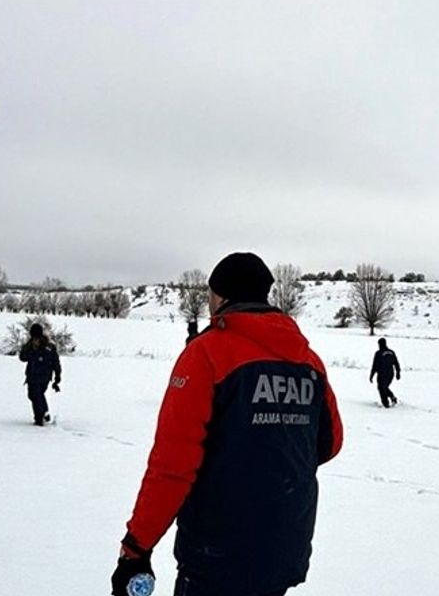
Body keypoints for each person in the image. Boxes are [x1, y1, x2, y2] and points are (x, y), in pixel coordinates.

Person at [111, 253, 344, 596]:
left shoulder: (207, 353)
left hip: (218, 556)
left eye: (209, 296)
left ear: (220, 297)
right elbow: (329, 443)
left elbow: (172, 466)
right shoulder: (308, 360)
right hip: (284, 546)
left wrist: (136, 547)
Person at [18, 323, 61, 426]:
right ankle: (44, 412)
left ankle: (39, 419)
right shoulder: (32, 344)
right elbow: (22, 357)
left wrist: (57, 377)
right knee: (36, 395)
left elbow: (55, 362)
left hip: (40, 376)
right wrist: (30, 348)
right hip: (35, 375)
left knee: (36, 395)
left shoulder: (48, 347)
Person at [370, 337, 401, 407]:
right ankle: (392, 397)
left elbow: (374, 365)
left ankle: (385, 403)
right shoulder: (391, 352)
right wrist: (398, 372)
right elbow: (396, 363)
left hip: (382, 373)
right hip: (390, 373)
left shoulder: (378, 353)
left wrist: (371, 375)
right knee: (384, 387)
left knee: (381, 388)